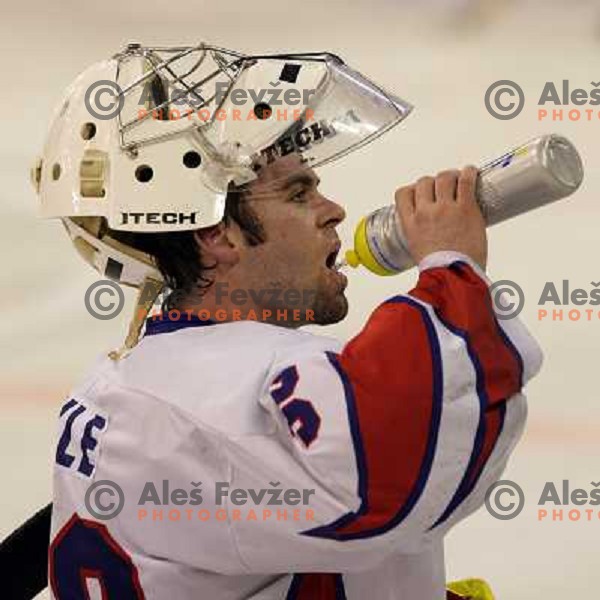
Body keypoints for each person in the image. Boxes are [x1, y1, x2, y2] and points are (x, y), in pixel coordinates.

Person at [29, 44, 542, 599]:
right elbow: (384, 481)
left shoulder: (117, 386)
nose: (334, 210)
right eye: (299, 193)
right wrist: (451, 270)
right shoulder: (250, 385)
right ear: (215, 235)